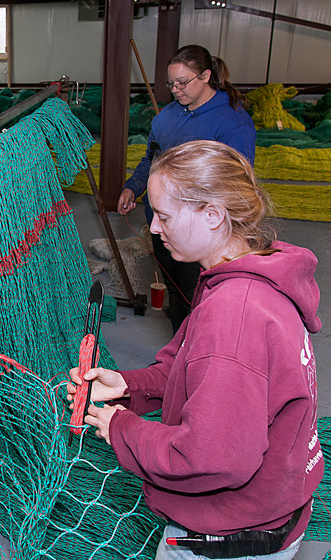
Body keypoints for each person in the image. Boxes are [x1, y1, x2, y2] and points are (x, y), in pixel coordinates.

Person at [69, 141, 322, 560]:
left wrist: (122, 428)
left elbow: (213, 457)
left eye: (164, 216)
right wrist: (127, 387)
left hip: (229, 536)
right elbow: (193, 370)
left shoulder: (233, 315)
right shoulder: (253, 272)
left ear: (212, 215)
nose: (153, 228)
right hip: (269, 509)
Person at [117, 45, 256, 333]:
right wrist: (133, 187)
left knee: (200, 290)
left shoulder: (231, 122)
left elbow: (235, 183)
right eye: (171, 84)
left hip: (201, 228)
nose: (176, 89)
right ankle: (180, 347)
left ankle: (199, 350)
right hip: (164, 221)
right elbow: (151, 159)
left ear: (206, 76)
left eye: (183, 83)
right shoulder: (167, 117)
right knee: (175, 285)